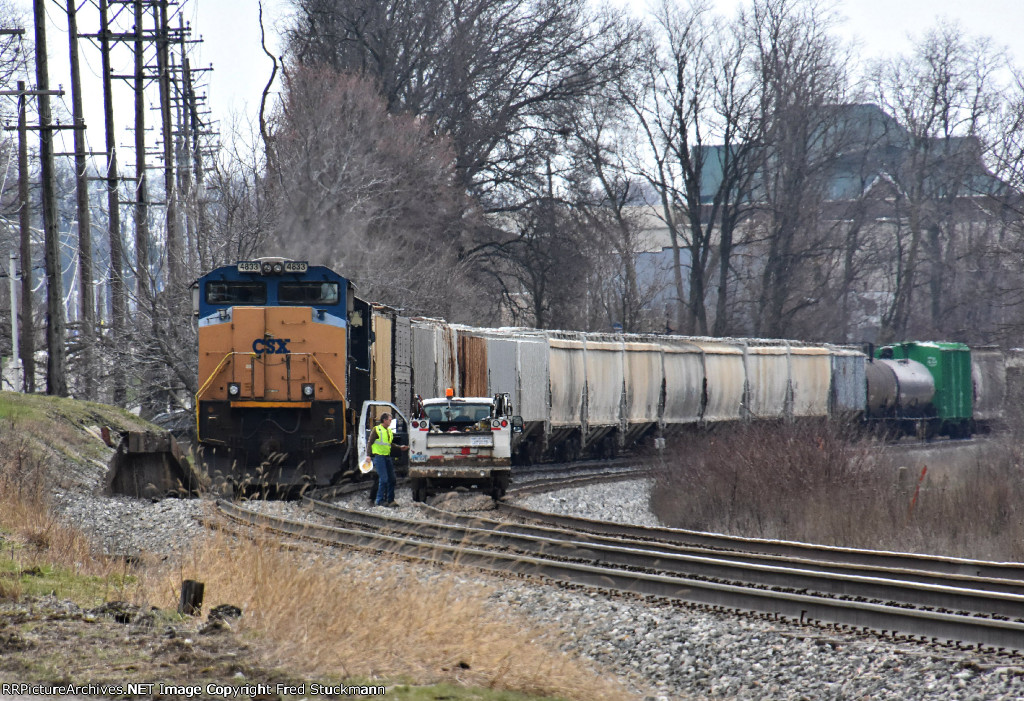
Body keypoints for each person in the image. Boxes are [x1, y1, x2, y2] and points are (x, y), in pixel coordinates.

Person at [368, 413, 408, 507]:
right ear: (384, 420)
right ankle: (379, 501)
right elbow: (370, 443)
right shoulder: (377, 430)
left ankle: (390, 500)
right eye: (390, 420)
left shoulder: (389, 431)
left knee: (392, 479)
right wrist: (368, 455)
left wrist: (399, 447)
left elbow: (389, 444)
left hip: (387, 457)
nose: (391, 421)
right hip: (379, 457)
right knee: (384, 479)